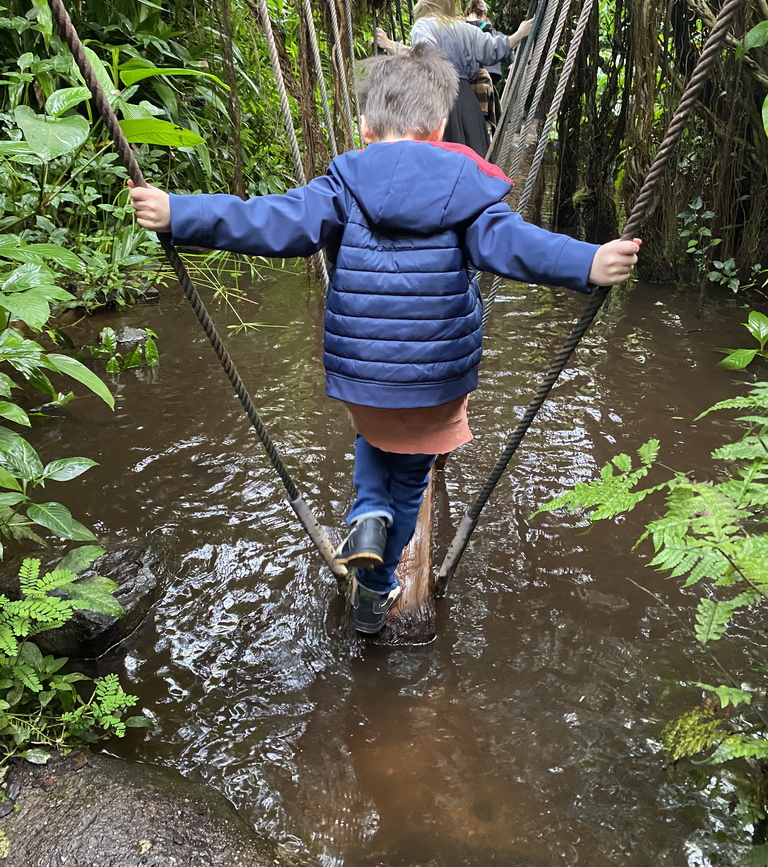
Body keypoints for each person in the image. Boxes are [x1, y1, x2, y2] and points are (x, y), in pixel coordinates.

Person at [128, 45, 640, 636]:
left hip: (363, 373)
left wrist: (179, 212)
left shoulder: (342, 183)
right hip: (435, 379)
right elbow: (517, 246)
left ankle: (365, 511)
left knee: (373, 427)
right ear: (442, 128)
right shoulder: (468, 189)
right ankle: (375, 590)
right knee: (413, 478)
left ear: (367, 128)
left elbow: (267, 219)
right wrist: (589, 262)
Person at [376, 0, 532, 155]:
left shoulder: (423, 26)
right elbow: (493, 51)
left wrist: (392, 47)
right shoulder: (467, 30)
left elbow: (425, 53)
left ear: (425, 1)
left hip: (438, 98)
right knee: (473, 158)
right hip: (467, 101)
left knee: (439, 158)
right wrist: (519, 34)